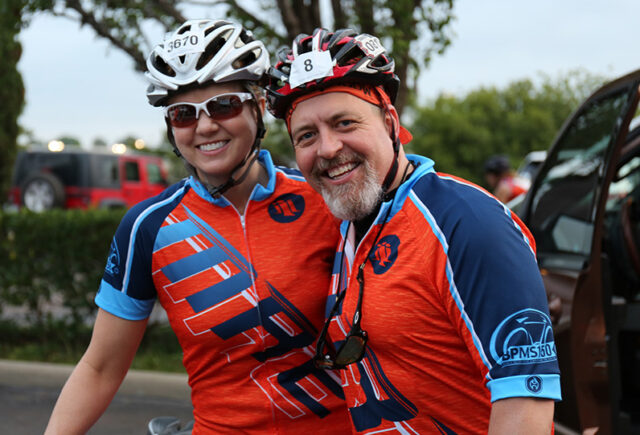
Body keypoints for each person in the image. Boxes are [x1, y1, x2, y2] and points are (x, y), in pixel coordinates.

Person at [45, 19, 351, 434]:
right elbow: (100, 368)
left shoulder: (327, 199)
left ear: (259, 106)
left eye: (224, 105)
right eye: (184, 114)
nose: (205, 127)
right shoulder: (148, 227)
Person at [265, 28, 561, 434]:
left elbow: (525, 406)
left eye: (345, 122)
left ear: (389, 121)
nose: (328, 148)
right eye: (307, 136)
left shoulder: (466, 222)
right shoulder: (351, 226)